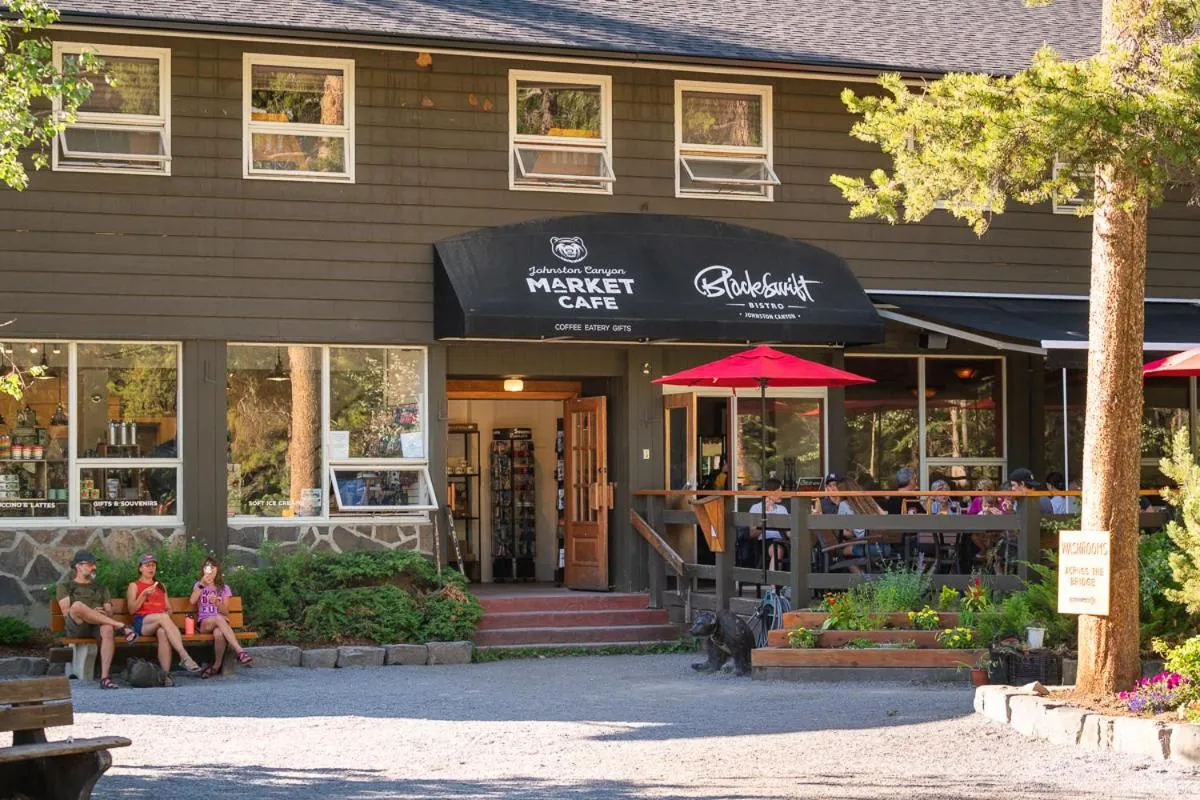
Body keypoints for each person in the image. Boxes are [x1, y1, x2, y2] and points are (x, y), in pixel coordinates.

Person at [55, 550, 135, 690]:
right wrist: (90, 612)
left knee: (108, 628)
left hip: (96, 625)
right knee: (77, 606)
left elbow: (108, 611)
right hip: (77, 625)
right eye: (90, 564)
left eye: (95, 564)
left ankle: (105, 678)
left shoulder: (101, 588)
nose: (94, 567)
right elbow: (66, 611)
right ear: (78, 566)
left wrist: (107, 610)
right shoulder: (66, 586)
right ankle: (121, 626)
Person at [126, 553, 201, 685]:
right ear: (140, 568)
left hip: (160, 622)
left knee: (163, 632)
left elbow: (169, 608)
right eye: (147, 565)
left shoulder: (160, 586)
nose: (151, 568)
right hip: (142, 623)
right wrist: (143, 595)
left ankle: (165, 675)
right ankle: (184, 656)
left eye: (153, 565)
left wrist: (166, 612)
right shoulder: (134, 585)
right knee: (162, 618)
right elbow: (132, 610)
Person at [190, 557, 252, 677]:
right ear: (203, 570)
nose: (210, 570)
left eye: (212, 567)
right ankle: (240, 651)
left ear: (217, 569)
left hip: (221, 623)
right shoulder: (199, 585)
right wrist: (202, 584)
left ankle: (216, 666)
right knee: (218, 619)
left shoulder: (224, 588)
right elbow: (192, 601)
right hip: (205, 623)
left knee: (219, 633)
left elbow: (225, 612)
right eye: (207, 567)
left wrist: (217, 603)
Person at [833, 476, 887, 572]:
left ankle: (864, 583)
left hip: (866, 546)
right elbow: (884, 516)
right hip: (884, 546)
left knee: (840, 553)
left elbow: (843, 532)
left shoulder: (843, 505)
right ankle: (867, 579)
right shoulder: (867, 500)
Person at [747, 478, 789, 572]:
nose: (782, 494)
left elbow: (788, 533)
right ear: (769, 492)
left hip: (783, 541)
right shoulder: (756, 508)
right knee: (777, 550)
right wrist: (765, 518)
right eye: (778, 491)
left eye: (781, 491)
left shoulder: (782, 509)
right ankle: (775, 585)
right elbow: (752, 534)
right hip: (764, 541)